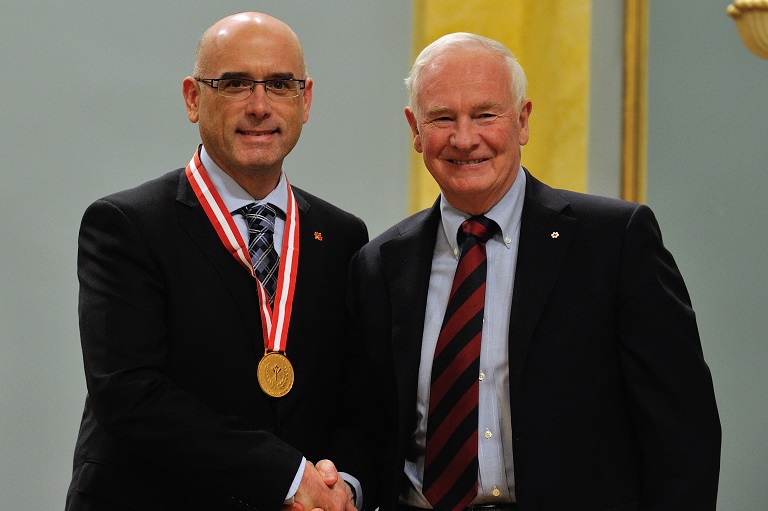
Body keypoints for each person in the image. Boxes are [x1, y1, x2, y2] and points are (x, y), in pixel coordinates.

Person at [348, 32, 721, 510]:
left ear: (522, 120)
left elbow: (683, 430)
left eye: (485, 114)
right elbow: (365, 425)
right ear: (415, 130)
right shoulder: (379, 265)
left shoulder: (615, 242)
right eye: (442, 118)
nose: (465, 139)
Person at [66, 12, 370, 511]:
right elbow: (130, 394)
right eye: (234, 84)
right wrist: (288, 477)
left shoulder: (341, 237)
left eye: (279, 84)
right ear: (192, 98)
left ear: (305, 100)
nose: (259, 106)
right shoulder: (126, 225)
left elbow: (356, 397)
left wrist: (343, 486)